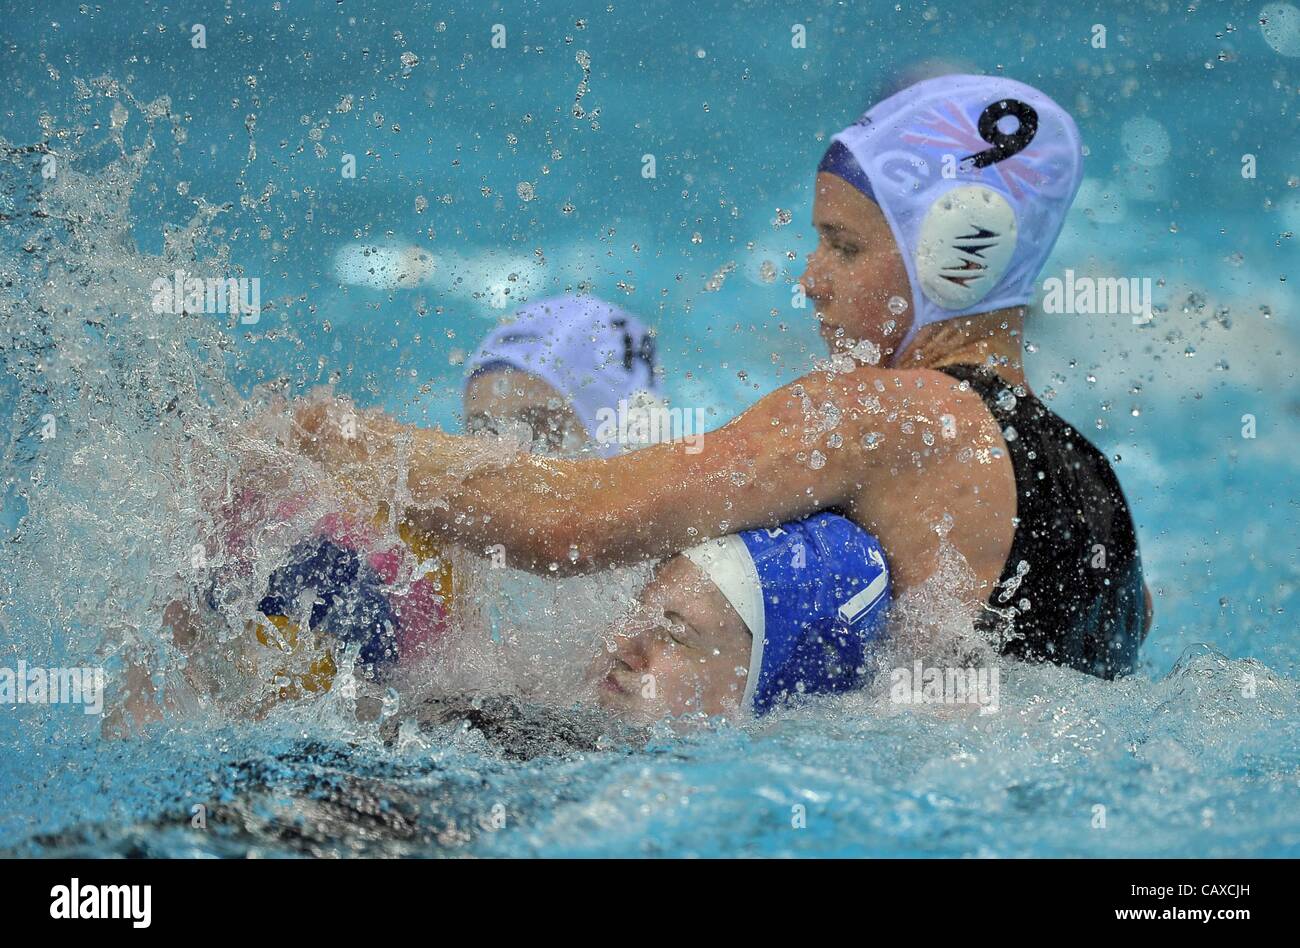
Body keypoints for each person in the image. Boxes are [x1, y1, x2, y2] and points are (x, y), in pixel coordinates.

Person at [291, 74, 1153, 682]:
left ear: (959, 255)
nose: (810, 279)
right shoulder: (1098, 486)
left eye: (844, 245)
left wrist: (332, 438)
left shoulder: (888, 418)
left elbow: (571, 525)